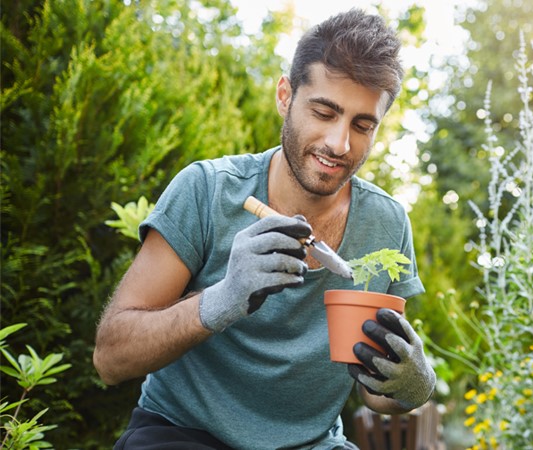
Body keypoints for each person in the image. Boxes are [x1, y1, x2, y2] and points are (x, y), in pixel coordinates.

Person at [93, 8, 436, 449]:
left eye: (362, 124)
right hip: (184, 433)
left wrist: (412, 384)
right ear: (284, 96)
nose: (339, 143)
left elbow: (373, 390)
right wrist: (222, 299)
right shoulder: (207, 191)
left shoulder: (386, 223)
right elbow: (111, 358)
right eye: (324, 112)